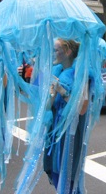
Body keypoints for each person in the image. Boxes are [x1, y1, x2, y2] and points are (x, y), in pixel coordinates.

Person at [43, 38, 89, 192]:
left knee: (68, 171)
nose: (53, 53)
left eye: (56, 50)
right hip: (55, 130)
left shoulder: (80, 74)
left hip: (70, 130)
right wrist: (52, 92)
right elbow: (49, 107)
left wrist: (62, 91)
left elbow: (82, 108)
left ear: (68, 51)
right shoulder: (57, 72)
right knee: (53, 167)